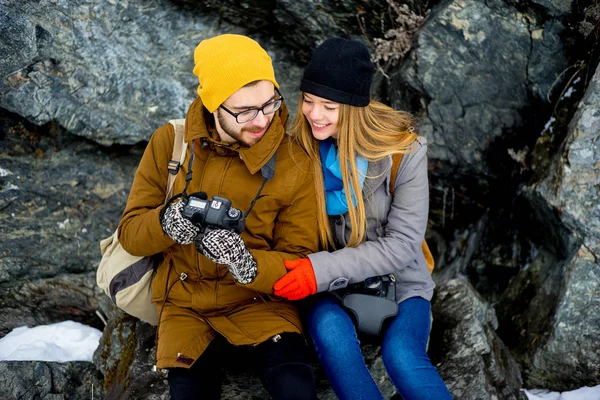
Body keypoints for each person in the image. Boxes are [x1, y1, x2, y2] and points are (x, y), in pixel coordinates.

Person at [118, 34, 320, 400]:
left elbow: (301, 256)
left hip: (261, 304)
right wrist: (168, 222)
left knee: (297, 389)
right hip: (185, 305)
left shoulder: (296, 161)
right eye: (244, 111)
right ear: (213, 105)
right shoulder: (170, 142)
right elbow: (131, 234)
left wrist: (246, 263)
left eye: (270, 103)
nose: (261, 121)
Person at [273, 38, 453, 400]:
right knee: (335, 343)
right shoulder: (297, 150)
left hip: (402, 284)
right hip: (331, 289)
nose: (314, 114)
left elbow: (402, 245)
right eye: (308, 100)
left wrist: (317, 269)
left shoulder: (404, 153)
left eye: (328, 106)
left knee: (402, 356)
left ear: (354, 108)